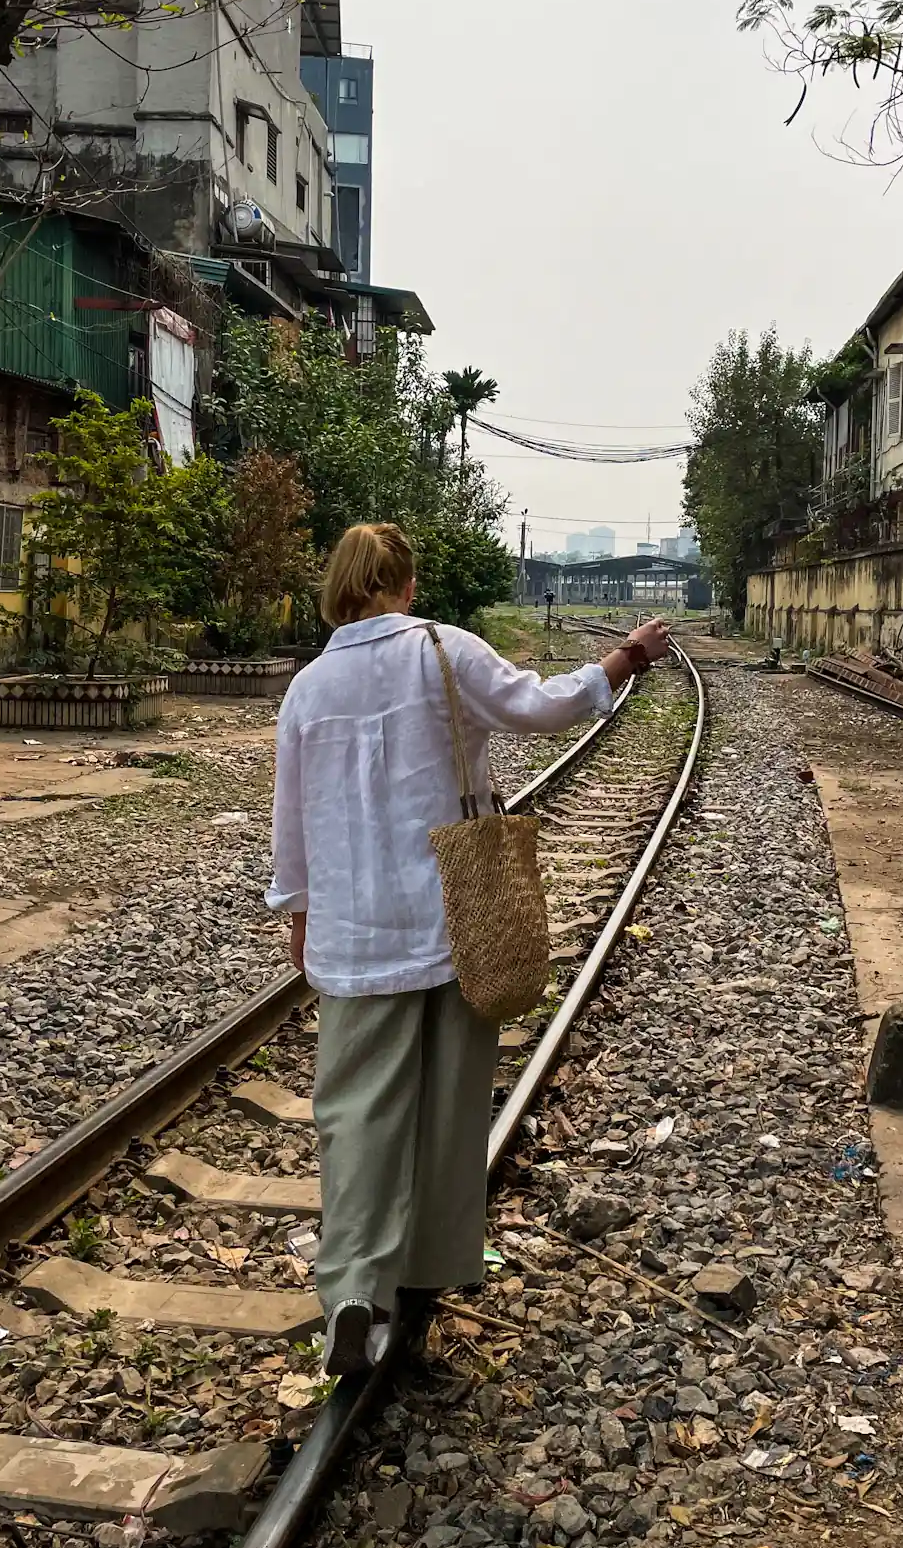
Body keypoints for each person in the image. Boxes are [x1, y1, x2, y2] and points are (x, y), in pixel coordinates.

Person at [266, 521, 671, 1373]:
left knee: (355, 1115)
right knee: (448, 1106)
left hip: (353, 930)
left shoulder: (308, 687)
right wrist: (625, 659)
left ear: (340, 586)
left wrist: (297, 915)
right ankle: (426, 1270)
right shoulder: (444, 653)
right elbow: (545, 707)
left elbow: (291, 824)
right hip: (454, 923)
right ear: (406, 586)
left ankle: (351, 1286)